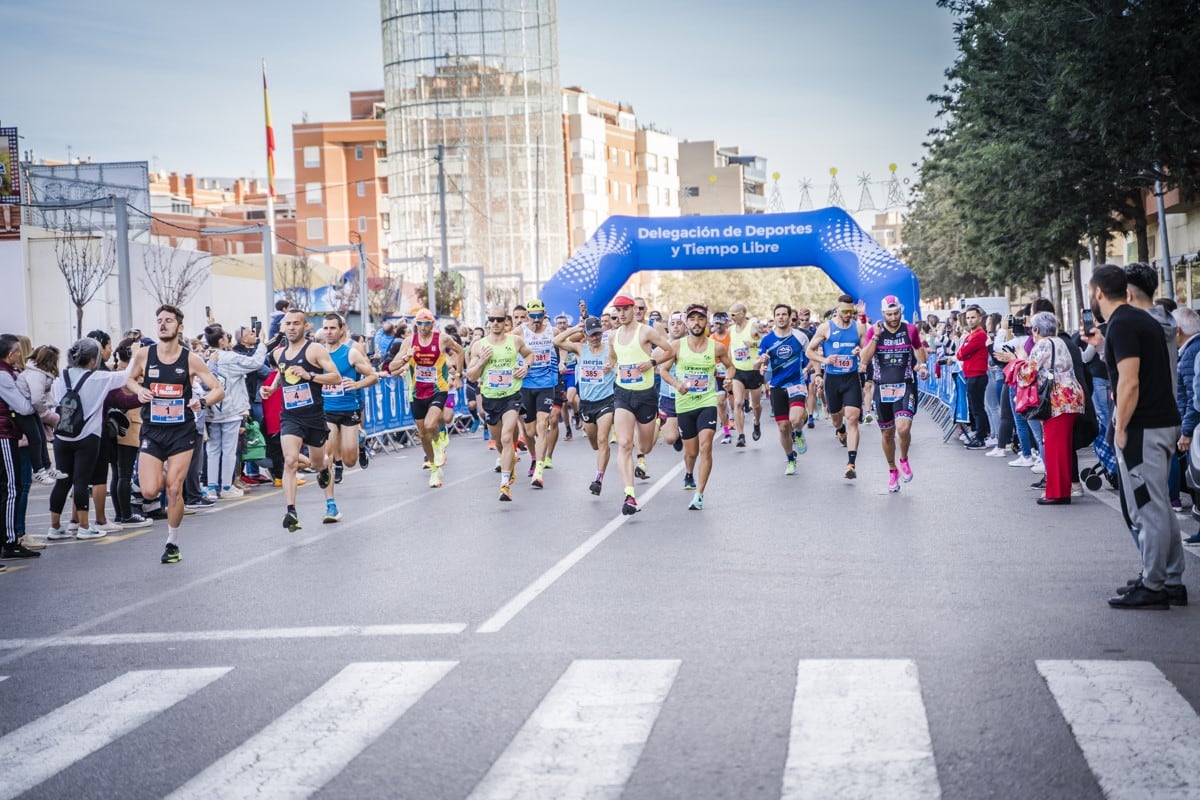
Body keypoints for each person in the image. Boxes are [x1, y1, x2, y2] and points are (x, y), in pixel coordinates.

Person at [1086, 265, 1185, 609]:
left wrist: (1121, 428)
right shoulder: (1140, 320)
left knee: (1147, 508)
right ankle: (1169, 579)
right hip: (1161, 422)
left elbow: (1129, 382)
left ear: (1099, 292)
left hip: (1143, 427)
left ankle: (1154, 584)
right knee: (1159, 505)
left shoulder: (1122, 324)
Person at [123, 307, 225, 562]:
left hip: (182, 432)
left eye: (168, 320)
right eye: (159, 320)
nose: (162, 324)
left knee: (173, 488)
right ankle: (164, 469)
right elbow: (129, 379)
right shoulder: (145, 354)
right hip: (153, 430)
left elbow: (218, 389)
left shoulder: (191, 359)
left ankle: (172, 542)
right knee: (149, 491)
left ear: (179, 327)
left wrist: (202, 402)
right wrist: (139, 390)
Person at [261, 309, 342, 531]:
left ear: (305, 326)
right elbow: (282, 373)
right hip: (290, 416)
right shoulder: (278, 353)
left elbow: (336, 377)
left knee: (319, 463)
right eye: (288, 323)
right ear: (283, 327)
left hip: (313, 416)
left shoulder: (314, 349)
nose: (291, 327)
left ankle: (331, 502)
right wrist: (272, 388)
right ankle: (291, 512)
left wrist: (310, 376)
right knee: (290, 460)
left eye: (296, 323)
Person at [658, 304, 733, 510]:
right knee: (691, 452)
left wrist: (728, 379)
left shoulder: (716, 347)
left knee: (705, 446)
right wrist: (677, 385)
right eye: (692, 319)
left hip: (707, 402)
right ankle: (689, 472)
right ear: (687, 323)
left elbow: (731, 367)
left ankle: (699, 494)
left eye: (700, 319)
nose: (696, 323)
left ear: (706, 322)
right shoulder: (677, 346)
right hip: (684, 404)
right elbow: (663, 370)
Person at [607, 294, 673, 515]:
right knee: (625, 444)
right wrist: (609, 366)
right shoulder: (613, 336)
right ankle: (629, 495)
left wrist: (652, 362)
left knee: (644, 448)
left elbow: (669, 350)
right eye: (618, 310)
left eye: (626, 309)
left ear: (633, 309)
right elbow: (613, 357)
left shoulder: (646, 332)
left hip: (646, 395)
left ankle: (658, 422)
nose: (622, 313)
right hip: (623, 393)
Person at [859, 296, 929, 493]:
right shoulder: (875, 330)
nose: (893, 317)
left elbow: (919, 350)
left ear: (901, 311)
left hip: (905, 385)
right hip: (882, 388)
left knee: (903, 428)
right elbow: (864, 358)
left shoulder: (910, 330)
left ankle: (904, 459)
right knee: (888, 433)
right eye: (889, 314)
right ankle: (892, 470)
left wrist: (923, 365)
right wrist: (875, 337)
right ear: (883, 314)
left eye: (896, 313)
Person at [465, 304, 531, 502]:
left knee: (507, 436)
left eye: (500, 320)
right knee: (500, 442)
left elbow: (529, 354)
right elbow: (471, 375)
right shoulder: (479, 345)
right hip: (490, 398)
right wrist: (481, 362)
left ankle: (504, 485)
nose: (495, 323)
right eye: (492, 319)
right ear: (488, 322)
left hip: (512, 395)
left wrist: (526, 366)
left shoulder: (515, 341)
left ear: (505, 321)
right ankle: (509, 462)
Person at [389, 308, 459, 488]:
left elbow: (459, 350)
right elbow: (391, 367)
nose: (422, 327)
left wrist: (457, 374)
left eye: (426, 324)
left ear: (432, 324)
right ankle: (435, 469)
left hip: (438, 389)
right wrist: (406, 358)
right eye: (419, 323)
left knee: (430, 424)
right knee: (422, 434)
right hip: (417, 392)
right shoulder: (409, 341)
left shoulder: (442, 338)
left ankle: (439, 442)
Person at [1021, 312, 1084, 505]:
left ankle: (1057, 492)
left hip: (1057, 399)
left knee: (1054, 447)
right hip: (1071, 396)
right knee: (1063, 447)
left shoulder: (1042, 344)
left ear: (1036, 330)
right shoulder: (1060, 342)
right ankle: (1062, 489)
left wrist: (1018, 360)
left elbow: (1026, 374)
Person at [806, 294, 867, 479]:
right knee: (836, 419)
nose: (848, 315)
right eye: (845, 311)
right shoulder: (826, 327)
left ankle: (851, 464)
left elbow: (866, 353)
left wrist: (859, 353)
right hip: (832, 380)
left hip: (851, 379)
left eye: (851, 311)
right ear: (837, 310)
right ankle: (840, 430)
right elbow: (809, 351)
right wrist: (825, 360)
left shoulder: (859, 328)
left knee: (852, 419)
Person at [555, 316, 615, 495]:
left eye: (598, 334)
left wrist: (611, 366)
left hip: (606, 401)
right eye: (591, 334)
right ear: (586, 335)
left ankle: (598, 479)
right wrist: (575, 329)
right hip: (587, 403)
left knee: (603, 440)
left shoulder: (610, 350)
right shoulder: (580, 349)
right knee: (595, 444)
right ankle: (600, 460)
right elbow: (557, 341)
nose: (595, 338)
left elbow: (617, 363)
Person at [204, 326, 266, 499]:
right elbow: (256, 363)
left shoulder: (204, 357)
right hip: (231, 408)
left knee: (213, 449)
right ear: (222, 341)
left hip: (211, 408)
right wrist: (261, 343)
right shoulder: (230, 357)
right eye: (226, 336)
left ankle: (211, 487)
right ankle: (226, 487)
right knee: (229, 450)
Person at [756, 304, 811, 476]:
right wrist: (761, 363)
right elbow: (756, 364)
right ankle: (790, 458)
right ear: (774, 318)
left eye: (784, 314)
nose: (781, 317)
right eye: (778, 314)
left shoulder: (800, 337)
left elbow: (812, 355)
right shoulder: (767, 340)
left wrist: (809, 369)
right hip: (776, 386)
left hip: (796, 383)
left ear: (789, 317)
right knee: (783, 427)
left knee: (795, 420)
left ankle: (799, 432)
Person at [516, 299, 560, 489]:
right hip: (526, 384)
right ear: (527, 315)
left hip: (546, 384)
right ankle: (534, 457)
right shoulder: (520, 332)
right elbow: (503, 345)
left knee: (542, 426)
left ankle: (539, 470)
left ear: (544, 314)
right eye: (532, 316)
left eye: (539, 315)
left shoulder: (552, 330)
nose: (536, 319)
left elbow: (566, 342)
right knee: (529, 431)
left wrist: (562, 361)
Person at [727, 302, 764, 446]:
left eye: (733, 314)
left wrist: (753, 344)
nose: (731, 317)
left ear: (742, 314)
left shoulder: (753, 327)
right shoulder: (731, 329)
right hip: (738, 371)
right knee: (738, 402)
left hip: (754, 371)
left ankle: (757, 422)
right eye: (730, 314)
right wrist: (729, 366)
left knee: (756, 405)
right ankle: (741, 435)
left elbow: (768, 342)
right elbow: (731, 348)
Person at [955, 305, 990, 449]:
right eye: (968, 318)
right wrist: (962, 351)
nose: (970, 320)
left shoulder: (979, 335)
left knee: (977, 408)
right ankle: (980, 434)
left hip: (977, 375)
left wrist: (963, 352)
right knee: (974, 407)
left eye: (973, 317)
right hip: (971, 375)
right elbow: (960, 353)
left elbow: (962, 353)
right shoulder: (970, 335)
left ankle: (981, 437)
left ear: (980, 318)